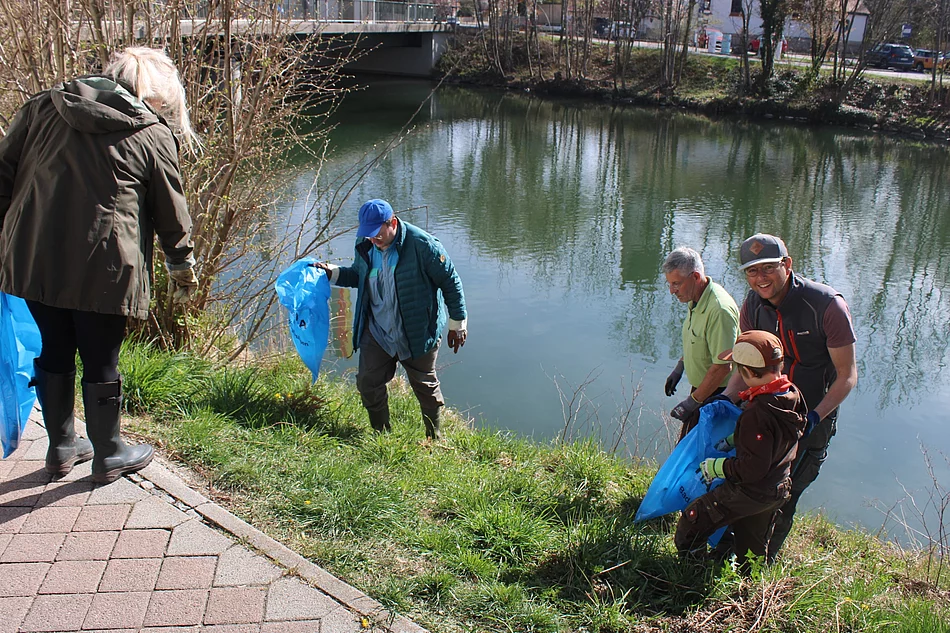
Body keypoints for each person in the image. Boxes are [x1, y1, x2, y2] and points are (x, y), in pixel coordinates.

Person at [0, 47, 199, 483]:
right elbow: (171, 212)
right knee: (101, 357)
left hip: (35, 257)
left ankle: (61, 447)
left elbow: (3, 174)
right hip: (107, 265)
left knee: (53, 345)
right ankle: (109, 452)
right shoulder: (151, 132)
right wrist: (181, 266)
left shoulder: (42, 107)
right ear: (158, 95)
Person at [724, 233, 857, 561]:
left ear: (787, 264)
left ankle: (761, 568)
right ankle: (730, 554)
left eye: (768, 268)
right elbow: (744, 364)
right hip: (765, 414)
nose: (760, 279)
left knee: (784, 495)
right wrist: (726, 399)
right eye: (752, 272)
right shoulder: (752, 305)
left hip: (813, 416)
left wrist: (814, 418)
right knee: (749, 486)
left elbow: (847, 376)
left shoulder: (827, 306)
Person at [317, 199, 467, 440]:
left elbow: (451, 283)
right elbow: (358, 275)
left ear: (393, 223)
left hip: (418, 332)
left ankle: (434, 437)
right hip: (377, 331)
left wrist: (457, 323)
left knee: (425, 386)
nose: (372, 238)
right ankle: (381, 436)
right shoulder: (366, 244)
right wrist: (331, 272)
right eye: (367, 233)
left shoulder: (423, 245)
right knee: (367, 382)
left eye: (377, 232)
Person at [675, 330, 806, 573]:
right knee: (752, 547)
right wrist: (736, 438)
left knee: (694, 519)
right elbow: (775, 435)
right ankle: (749, 583)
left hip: (751, 490)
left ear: (747, 372)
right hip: (777, 488)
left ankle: (692, 575)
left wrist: (717, 467)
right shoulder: (790, 395)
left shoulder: (757, 412)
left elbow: (751, 469)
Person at [662, 247, 740, 441]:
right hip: (701, 389)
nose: (672, 291)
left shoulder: (719, 310)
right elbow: (696, 339)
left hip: (718, 395)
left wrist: (692, 402)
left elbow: (723, 366)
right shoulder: (694, 299)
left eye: (676, 284)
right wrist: (680, 368)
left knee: (696, 453)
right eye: (670, 284)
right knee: (687, 449)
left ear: (695, 277)